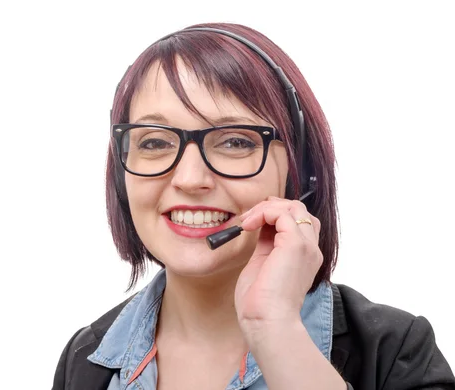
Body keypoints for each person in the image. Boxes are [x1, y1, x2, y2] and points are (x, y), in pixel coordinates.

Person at [52, 22, 455, 390]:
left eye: (235, 141)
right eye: (155, 141)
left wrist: (276, 330)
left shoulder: (396, 353)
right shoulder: (86, 360)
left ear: (299, 171)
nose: (190, 179)